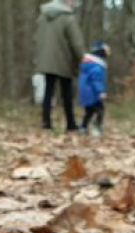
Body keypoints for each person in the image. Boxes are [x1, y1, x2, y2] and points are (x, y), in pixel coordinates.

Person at [34, 0, 85, 133]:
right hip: (64, 59)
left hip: (46, 59)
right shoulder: (68, 19)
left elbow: (37, 38)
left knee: (48, 92)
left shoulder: (42, 17)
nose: (75, 4)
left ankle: (46, 122)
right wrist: (82, 59)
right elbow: (76, 43)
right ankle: (71, 123)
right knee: (67, 93)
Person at [78, 41, 110, 137]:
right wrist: (101, 91)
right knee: (100, 110)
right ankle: (97, 128)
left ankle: (83, 128)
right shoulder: (96, 67)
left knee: (89, 111)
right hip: (92, 93)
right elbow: (97, 80)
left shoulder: (87, 65)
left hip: (85, 92)